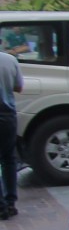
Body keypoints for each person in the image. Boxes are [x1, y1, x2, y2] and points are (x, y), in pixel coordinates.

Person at [0, 49, 23, 220]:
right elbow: (19, 87)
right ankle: (10, 202)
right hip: (7, 115)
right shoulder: (10, 60)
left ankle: (1, 207)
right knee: (9, 159)